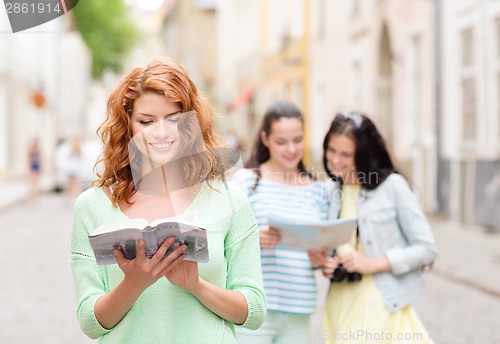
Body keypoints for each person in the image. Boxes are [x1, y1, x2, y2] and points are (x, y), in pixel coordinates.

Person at [70, 57, 266, 343]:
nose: (161, 132)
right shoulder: (91, 206)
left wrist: (196, 285)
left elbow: (254, 311)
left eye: (173, 119)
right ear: (128, 125)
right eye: (146, 121)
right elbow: (90, 322)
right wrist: (133, 284)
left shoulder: (229, 200)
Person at [320, 111, 437, 343]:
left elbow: (426, 249)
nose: (335, 160)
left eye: (346, 154)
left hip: (379, 303)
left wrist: (371, 263)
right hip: (339, 302)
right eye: (331, 150)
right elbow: (331, 247)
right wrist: (327, 263)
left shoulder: (392, 187)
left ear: (363, 154)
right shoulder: (330, 191)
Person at [231, 100, 330, 344]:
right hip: (253, 308)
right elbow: (225, 240)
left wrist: (321, 259)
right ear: (265, 139)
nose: (291, 149)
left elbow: (325, 250)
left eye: (297, 140)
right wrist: (254, 239)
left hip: (299, 306)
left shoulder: (319, 190)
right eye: (281, 142)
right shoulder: (245, 181)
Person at [27, 137, 42, 202]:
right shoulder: (31, 150)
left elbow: (40, 159)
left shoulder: (38, 149)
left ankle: (35, 196)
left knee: (35, 182)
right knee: (33, 182)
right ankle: (32, 196)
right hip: (33, 166)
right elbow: (29, 159)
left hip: (36, 166)